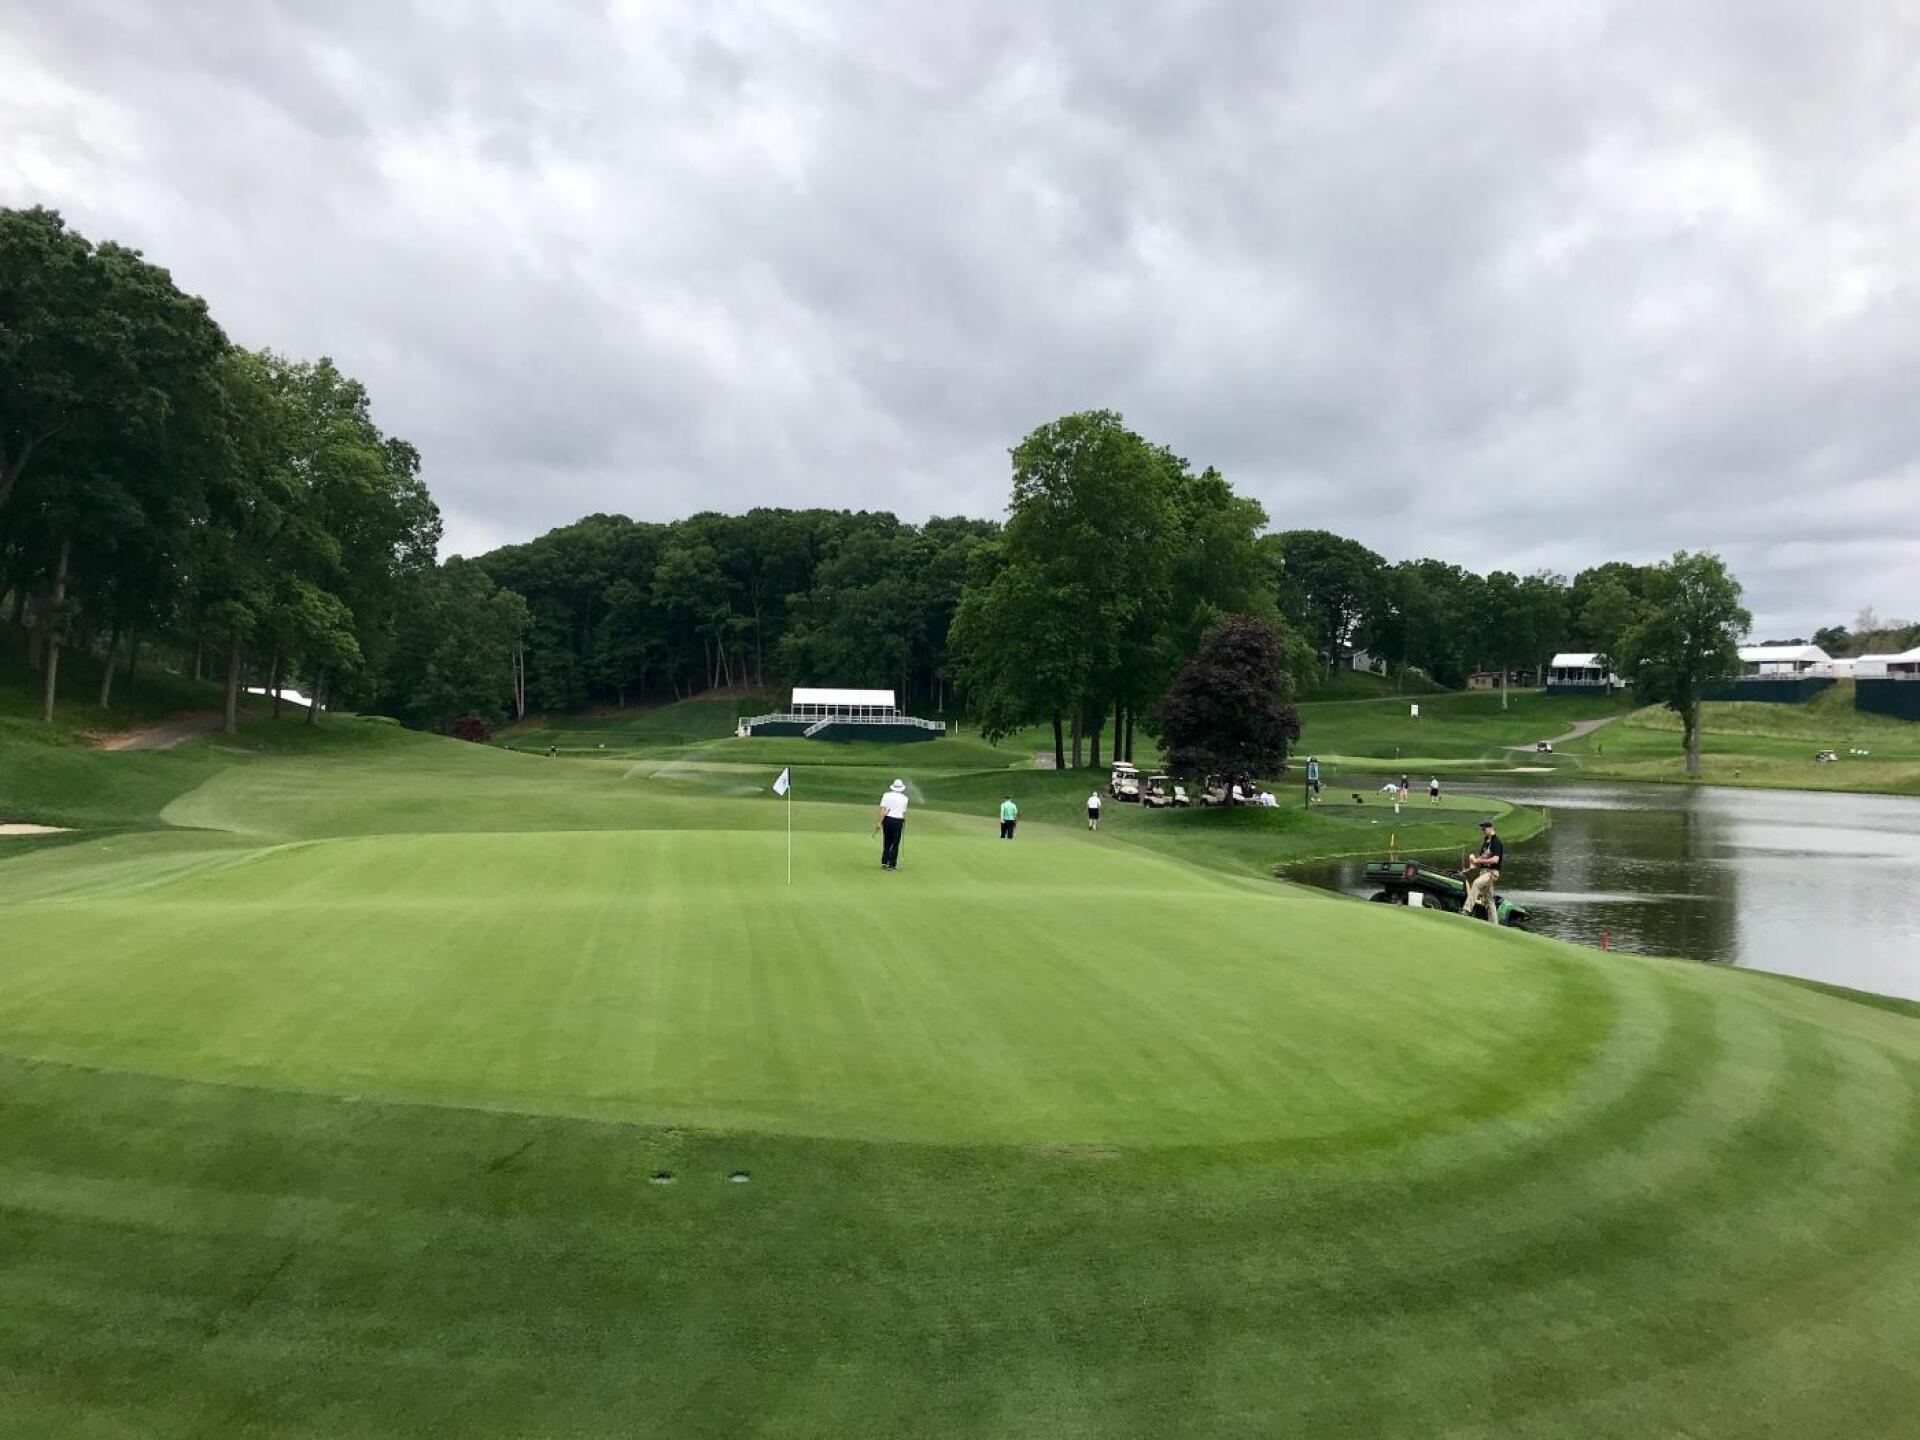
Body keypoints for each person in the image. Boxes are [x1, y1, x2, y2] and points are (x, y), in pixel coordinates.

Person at [1464, 818, 1504, 923]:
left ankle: (1466, 910)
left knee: (1476, 883)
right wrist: (1473, 862)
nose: (1483, 831)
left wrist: (1478, 860)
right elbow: (1483, 858)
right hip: (1484, 872)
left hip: (1491, 873)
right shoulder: (1486, 841)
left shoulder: (1496, 842)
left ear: (1490, 828)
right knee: (1489, 900)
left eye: (1484, 829)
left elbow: (1495, 859)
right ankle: (1494, 924)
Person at [876, 778, 910, 870]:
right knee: (895, 843)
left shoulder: (886, 795)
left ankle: (884, 862)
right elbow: (903, 812)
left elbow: (882, 809)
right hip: (898, 821)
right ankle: (892, 864)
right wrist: (904, 822)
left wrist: (879, 822)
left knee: (887, 841)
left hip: (887, 819)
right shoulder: (905, 798)